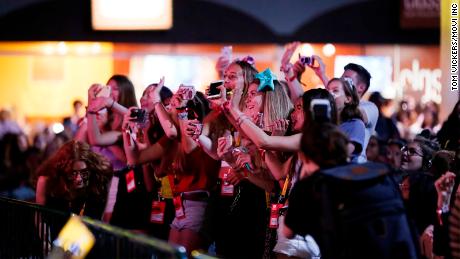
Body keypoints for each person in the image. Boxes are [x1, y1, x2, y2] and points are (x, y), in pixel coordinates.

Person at [35, 140, 112, 219]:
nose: (79, 178)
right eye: (72, 173)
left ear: (91, 168)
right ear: (63, 170)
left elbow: (101, 221)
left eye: (83, 172)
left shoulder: (99, 180)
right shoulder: (47, 181)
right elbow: (40, 219)